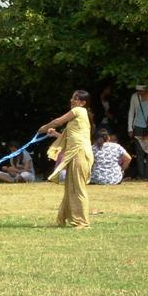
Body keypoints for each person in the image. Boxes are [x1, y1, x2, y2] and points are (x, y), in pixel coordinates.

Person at [37, 90, 95, 228]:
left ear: (82, 102)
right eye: (72, 98)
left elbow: (58, 121)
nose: (71, 100)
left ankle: (82, 222)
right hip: (75, 153)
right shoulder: (79, 116)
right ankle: (62, 219)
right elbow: (70, 139)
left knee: (78, 188)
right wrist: (55, 134)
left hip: (79, 154)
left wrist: (44, 128)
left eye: (75, 98)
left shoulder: (79, 110)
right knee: (70, 188)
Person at [127, 83, 148, 180]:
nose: (140, 93)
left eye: (142, 91)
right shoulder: (134, 97)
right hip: (137, 126)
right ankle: (141, 174)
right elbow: (131, 111)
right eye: (138, 91)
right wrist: (130, 128)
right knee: (139, 151)